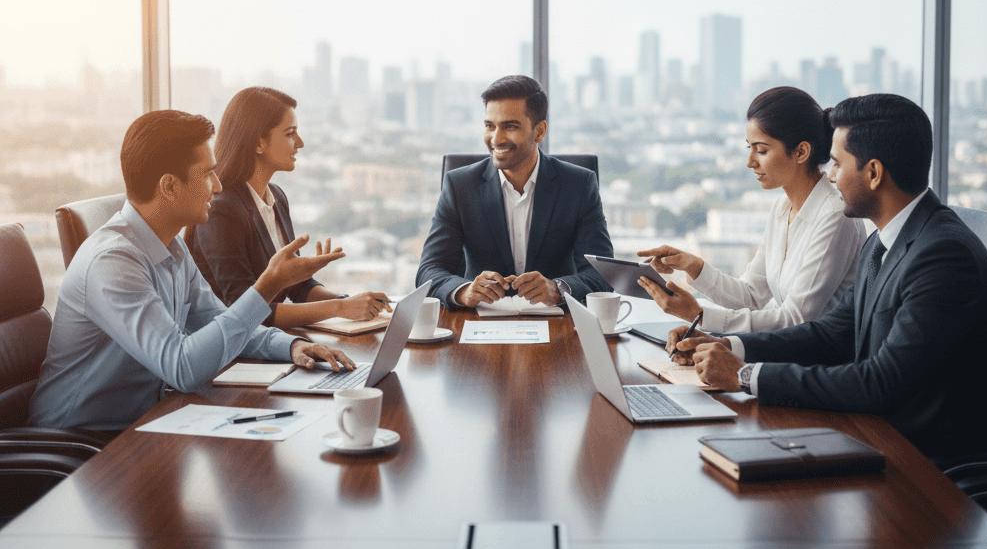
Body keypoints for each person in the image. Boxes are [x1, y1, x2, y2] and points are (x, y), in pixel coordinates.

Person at [668, 93, 987, 460]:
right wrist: (731, 346)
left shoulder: (944, 256)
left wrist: (746, 375)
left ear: (873, 173)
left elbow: (881, 384)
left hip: (942, 465)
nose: (831, 176)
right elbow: (830, 334)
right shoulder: (881, 244)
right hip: (888, 437)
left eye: (837, 164)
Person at [29, 110, 354, 433]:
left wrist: (290, 346)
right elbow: (182, 367)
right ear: (169, 186)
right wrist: (267, 286)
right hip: (80, 446)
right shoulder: (113, 262)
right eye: (207, 174)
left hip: (144, 423)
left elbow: (220, 321)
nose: (217, 186)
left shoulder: (171, 246)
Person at [637, 86, 867, 333]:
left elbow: (796, 319)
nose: (750, 162)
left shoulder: (834, 215)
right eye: (750, 148)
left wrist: (699, 315)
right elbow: (751, 295)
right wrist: (692, 265)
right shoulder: (782, 209)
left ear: (801, 152)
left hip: (821, 364)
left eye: (762, 150)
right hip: (787, 353)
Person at [187, 87, 390, 328]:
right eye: (290, 133)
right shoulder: (221, 211)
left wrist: (354, 303)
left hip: (268, 342)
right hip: (236, 351)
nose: (300, 143)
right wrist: (341, 308)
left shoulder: (277, 197)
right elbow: (246, 311)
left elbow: (296, 287)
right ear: (259, 142)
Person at [416, 75, 614, 307]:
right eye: (490, 126)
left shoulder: (579, 185)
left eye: (510, 127)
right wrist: (464, 291)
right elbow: (429, 271)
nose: (496, 139)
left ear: (539, 132)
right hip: (479, 325)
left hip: (557, 326)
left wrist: (558, 289)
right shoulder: (459, 186)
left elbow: (602, 275)